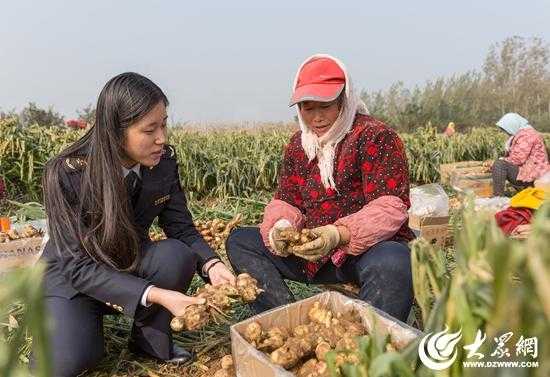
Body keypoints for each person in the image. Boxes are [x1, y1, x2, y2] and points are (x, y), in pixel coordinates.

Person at [38, 72, 235, 376]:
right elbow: (76, 267)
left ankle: (148, 339)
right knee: (68, 362)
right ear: (115, 132)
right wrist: (158, 295)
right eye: (149, 130)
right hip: (72, 277)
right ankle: (67, 320)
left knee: (176, 254)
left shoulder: (163, 163)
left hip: (128, 259)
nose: (162, 138)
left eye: (164, 124)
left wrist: (211, 265)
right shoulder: (68, 175)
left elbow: (180, 228)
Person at [226, 54, 415, 322]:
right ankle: (282, 321)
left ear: (344, 100)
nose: (317, 118)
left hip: (360, 253)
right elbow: (287, 198)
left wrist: (338, 234)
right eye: (307, 107)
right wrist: (280, 227)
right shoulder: (299, 145)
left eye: (325, 106)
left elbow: (390, 206)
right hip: (313, 253)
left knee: (396, 260)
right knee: (241, 241)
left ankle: (369, 343)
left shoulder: (375, 136)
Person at [492, 113, 550, 196]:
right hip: (531, 171)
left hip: (534, 174)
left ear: (512, 125)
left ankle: (497, 196)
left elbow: (518, 159)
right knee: (500, 163)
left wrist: (502, 160)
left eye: (506, 129)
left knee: (499, 165)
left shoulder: (527, 135)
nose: (506, 133)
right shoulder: (524, 134)